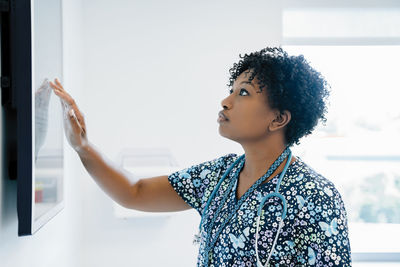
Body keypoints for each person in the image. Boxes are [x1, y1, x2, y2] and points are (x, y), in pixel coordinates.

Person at [50, 47, 352, 266]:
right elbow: (135, 193)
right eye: (231, 90)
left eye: (243, 93)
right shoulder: (220, 175)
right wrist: (82, 146)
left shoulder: (315, 195)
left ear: (278, 119)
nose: (226, 101)